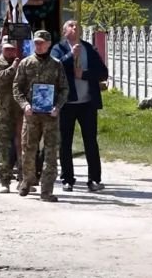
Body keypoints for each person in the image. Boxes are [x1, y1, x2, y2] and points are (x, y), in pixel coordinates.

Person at [51, 20, 108, 192]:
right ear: (64, 30)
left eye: (77, 26)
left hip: (87, 103)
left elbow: (103, 73)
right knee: (65, 143)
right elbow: (54, 68)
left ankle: (94, 179)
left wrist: (83, 74)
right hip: (67, 103)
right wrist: (70, 56)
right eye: (71, 26)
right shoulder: (58, 48)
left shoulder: (88, 48)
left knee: (91, 142)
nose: (75, 28)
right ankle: (68, 179)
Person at [13, 30, 69, 202]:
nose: (39, 45)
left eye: (42, 42)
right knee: (28, 150)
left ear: (49, 44)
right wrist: (25, 105)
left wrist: (57, 107)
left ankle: (47, 190)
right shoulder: (26, 63)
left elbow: (64, 89)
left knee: (51, 153)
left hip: (50, 116)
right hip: (31, 115)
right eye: (36, 42)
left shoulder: (56, 64)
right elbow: (17, 88)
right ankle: (27, 181)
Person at [0, 37, 22, 192]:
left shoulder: (23, 63)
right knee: (2, 147)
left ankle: (24, 180)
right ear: (2, 48)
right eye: (7, 48)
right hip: (2, 112)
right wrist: (12, 69)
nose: (10, 51)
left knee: (23, 147)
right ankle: (4, 181)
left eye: (12, 49)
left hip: (20, 112)